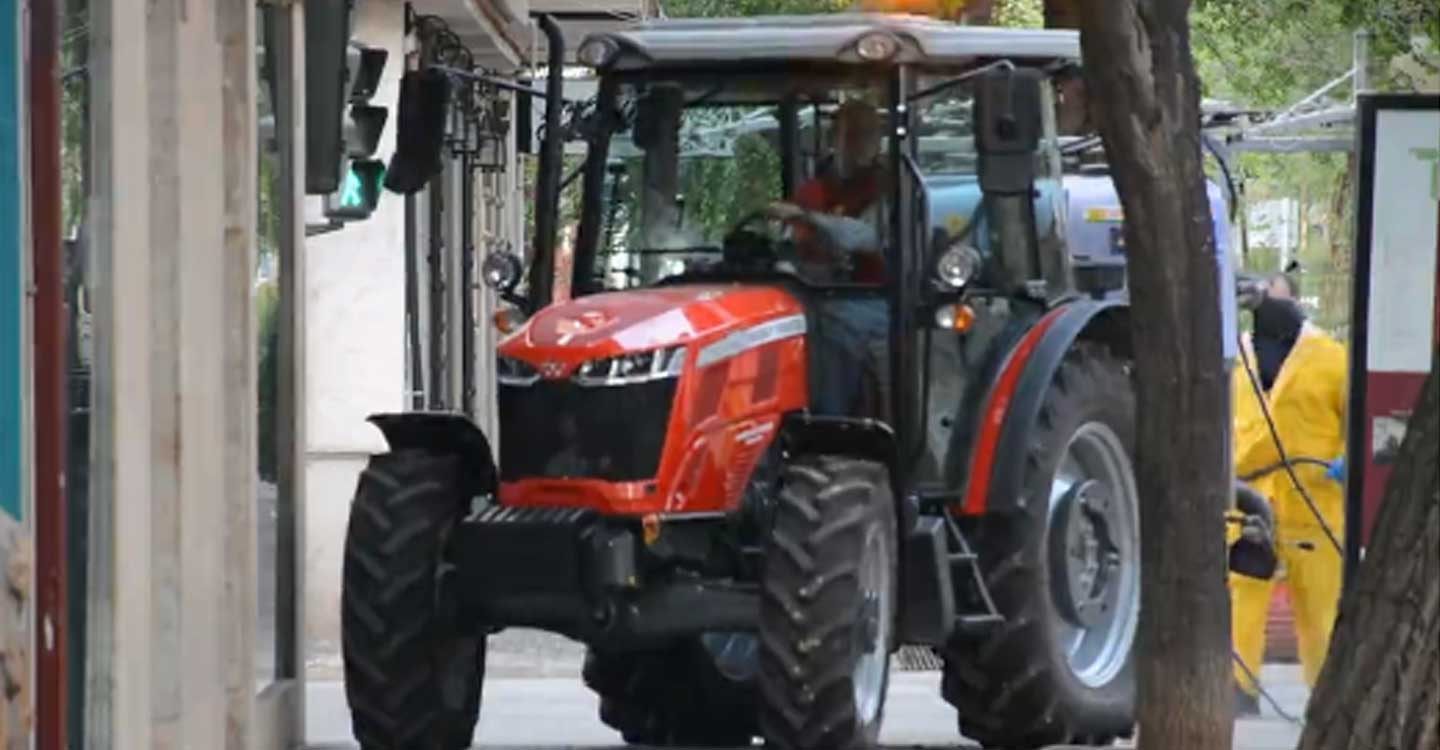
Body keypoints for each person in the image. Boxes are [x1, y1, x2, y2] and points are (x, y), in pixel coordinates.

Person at [1229, 295, 1348, 715]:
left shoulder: (1333, 361)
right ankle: (1238, 689)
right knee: (1243, 593)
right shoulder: (1237, 360)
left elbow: (1360, 420)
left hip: (1314, 500)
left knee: (1319, 605)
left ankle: (1326, 694)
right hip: (1249, 498)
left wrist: (1349, 461)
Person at [765, 99, 892, 416]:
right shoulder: (816, 190)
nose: (860, 143)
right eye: (851, 134)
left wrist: (807, 217)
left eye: (867, 134)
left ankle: (829, 423)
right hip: (817, 291)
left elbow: (867, 237)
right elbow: (789, 239)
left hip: (876, 296)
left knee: (831, 325)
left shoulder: (889, 187)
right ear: (834, 138)